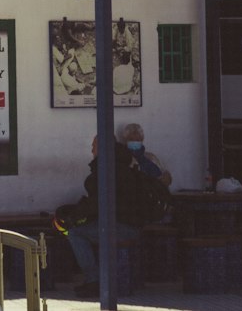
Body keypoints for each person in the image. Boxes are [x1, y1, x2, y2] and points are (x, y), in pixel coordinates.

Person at [57, 135, 160, 297]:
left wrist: (73, 217)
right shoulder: (124, 165)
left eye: (94, 146)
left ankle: (93, 280)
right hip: (133, 224)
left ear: (103, 148)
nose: (91, 150)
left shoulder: (107, 169)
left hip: (122, 227)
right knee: (88, 230)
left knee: (75, 233)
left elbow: (96, 203)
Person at [120, 122, 172, 188]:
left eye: (137, 140)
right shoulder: (122, 158)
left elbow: (164, 174)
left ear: (142, 140)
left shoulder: (151, 157)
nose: (134, 142)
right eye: (131, 139)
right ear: (125, 140)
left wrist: (166, 177)